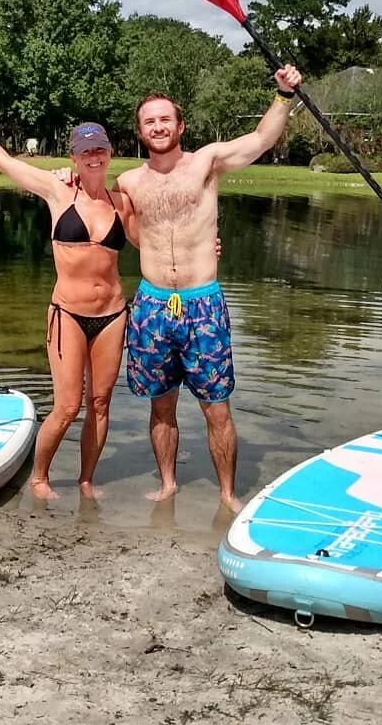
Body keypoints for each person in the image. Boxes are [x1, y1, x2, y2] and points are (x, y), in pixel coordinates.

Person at [115, 65, 302, 513]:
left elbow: (262, 139)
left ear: (180, 126)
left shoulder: (207, 162)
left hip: (203, 305)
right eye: (149, 121)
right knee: (160, 407)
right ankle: (167, 485)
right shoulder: (128, 183)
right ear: (140, 131)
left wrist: (282, 96)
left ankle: (227, 494)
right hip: (153, 305)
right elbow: (133, 233)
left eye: (165, 119)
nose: (158, 127)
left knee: (217, 409)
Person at [0, 94, 132, 501]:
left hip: (114, 315)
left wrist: (208, 249)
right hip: (67, 313)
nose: (94, 157)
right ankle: (39, 477)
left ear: (110, 152)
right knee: (67, 407)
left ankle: (86, 481)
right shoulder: (56, 190)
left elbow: (156, 245)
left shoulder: (123, 202)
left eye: (100, 149)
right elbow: (6, 163)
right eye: (85, 151)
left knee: (100, 403)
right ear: (74, 155)